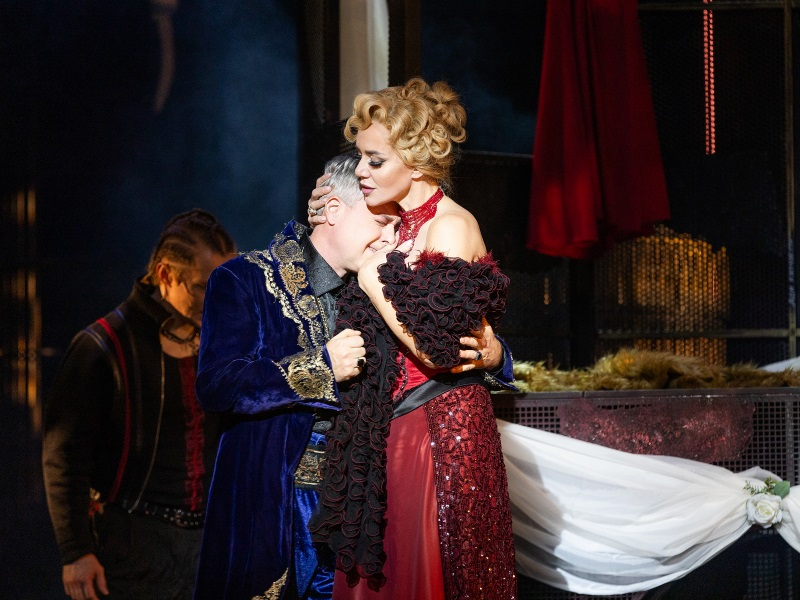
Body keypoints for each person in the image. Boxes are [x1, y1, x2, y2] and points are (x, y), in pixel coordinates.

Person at [308, 78, 517, 599]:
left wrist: (371, 274)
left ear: (418, 164)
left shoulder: (450, 227)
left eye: (375, 160)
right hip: (389, 429)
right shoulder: (394, 224)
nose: (360, 169)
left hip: (438, 429)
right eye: (361, 156)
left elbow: (438, 349)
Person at [42, 209, 237, 600]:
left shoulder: (222, 342)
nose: (216, 299)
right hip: (131, 548)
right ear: (165, 275)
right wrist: (76, 551)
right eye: (202, 287)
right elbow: (64, 455)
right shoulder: (103, 346)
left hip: (209, 545)